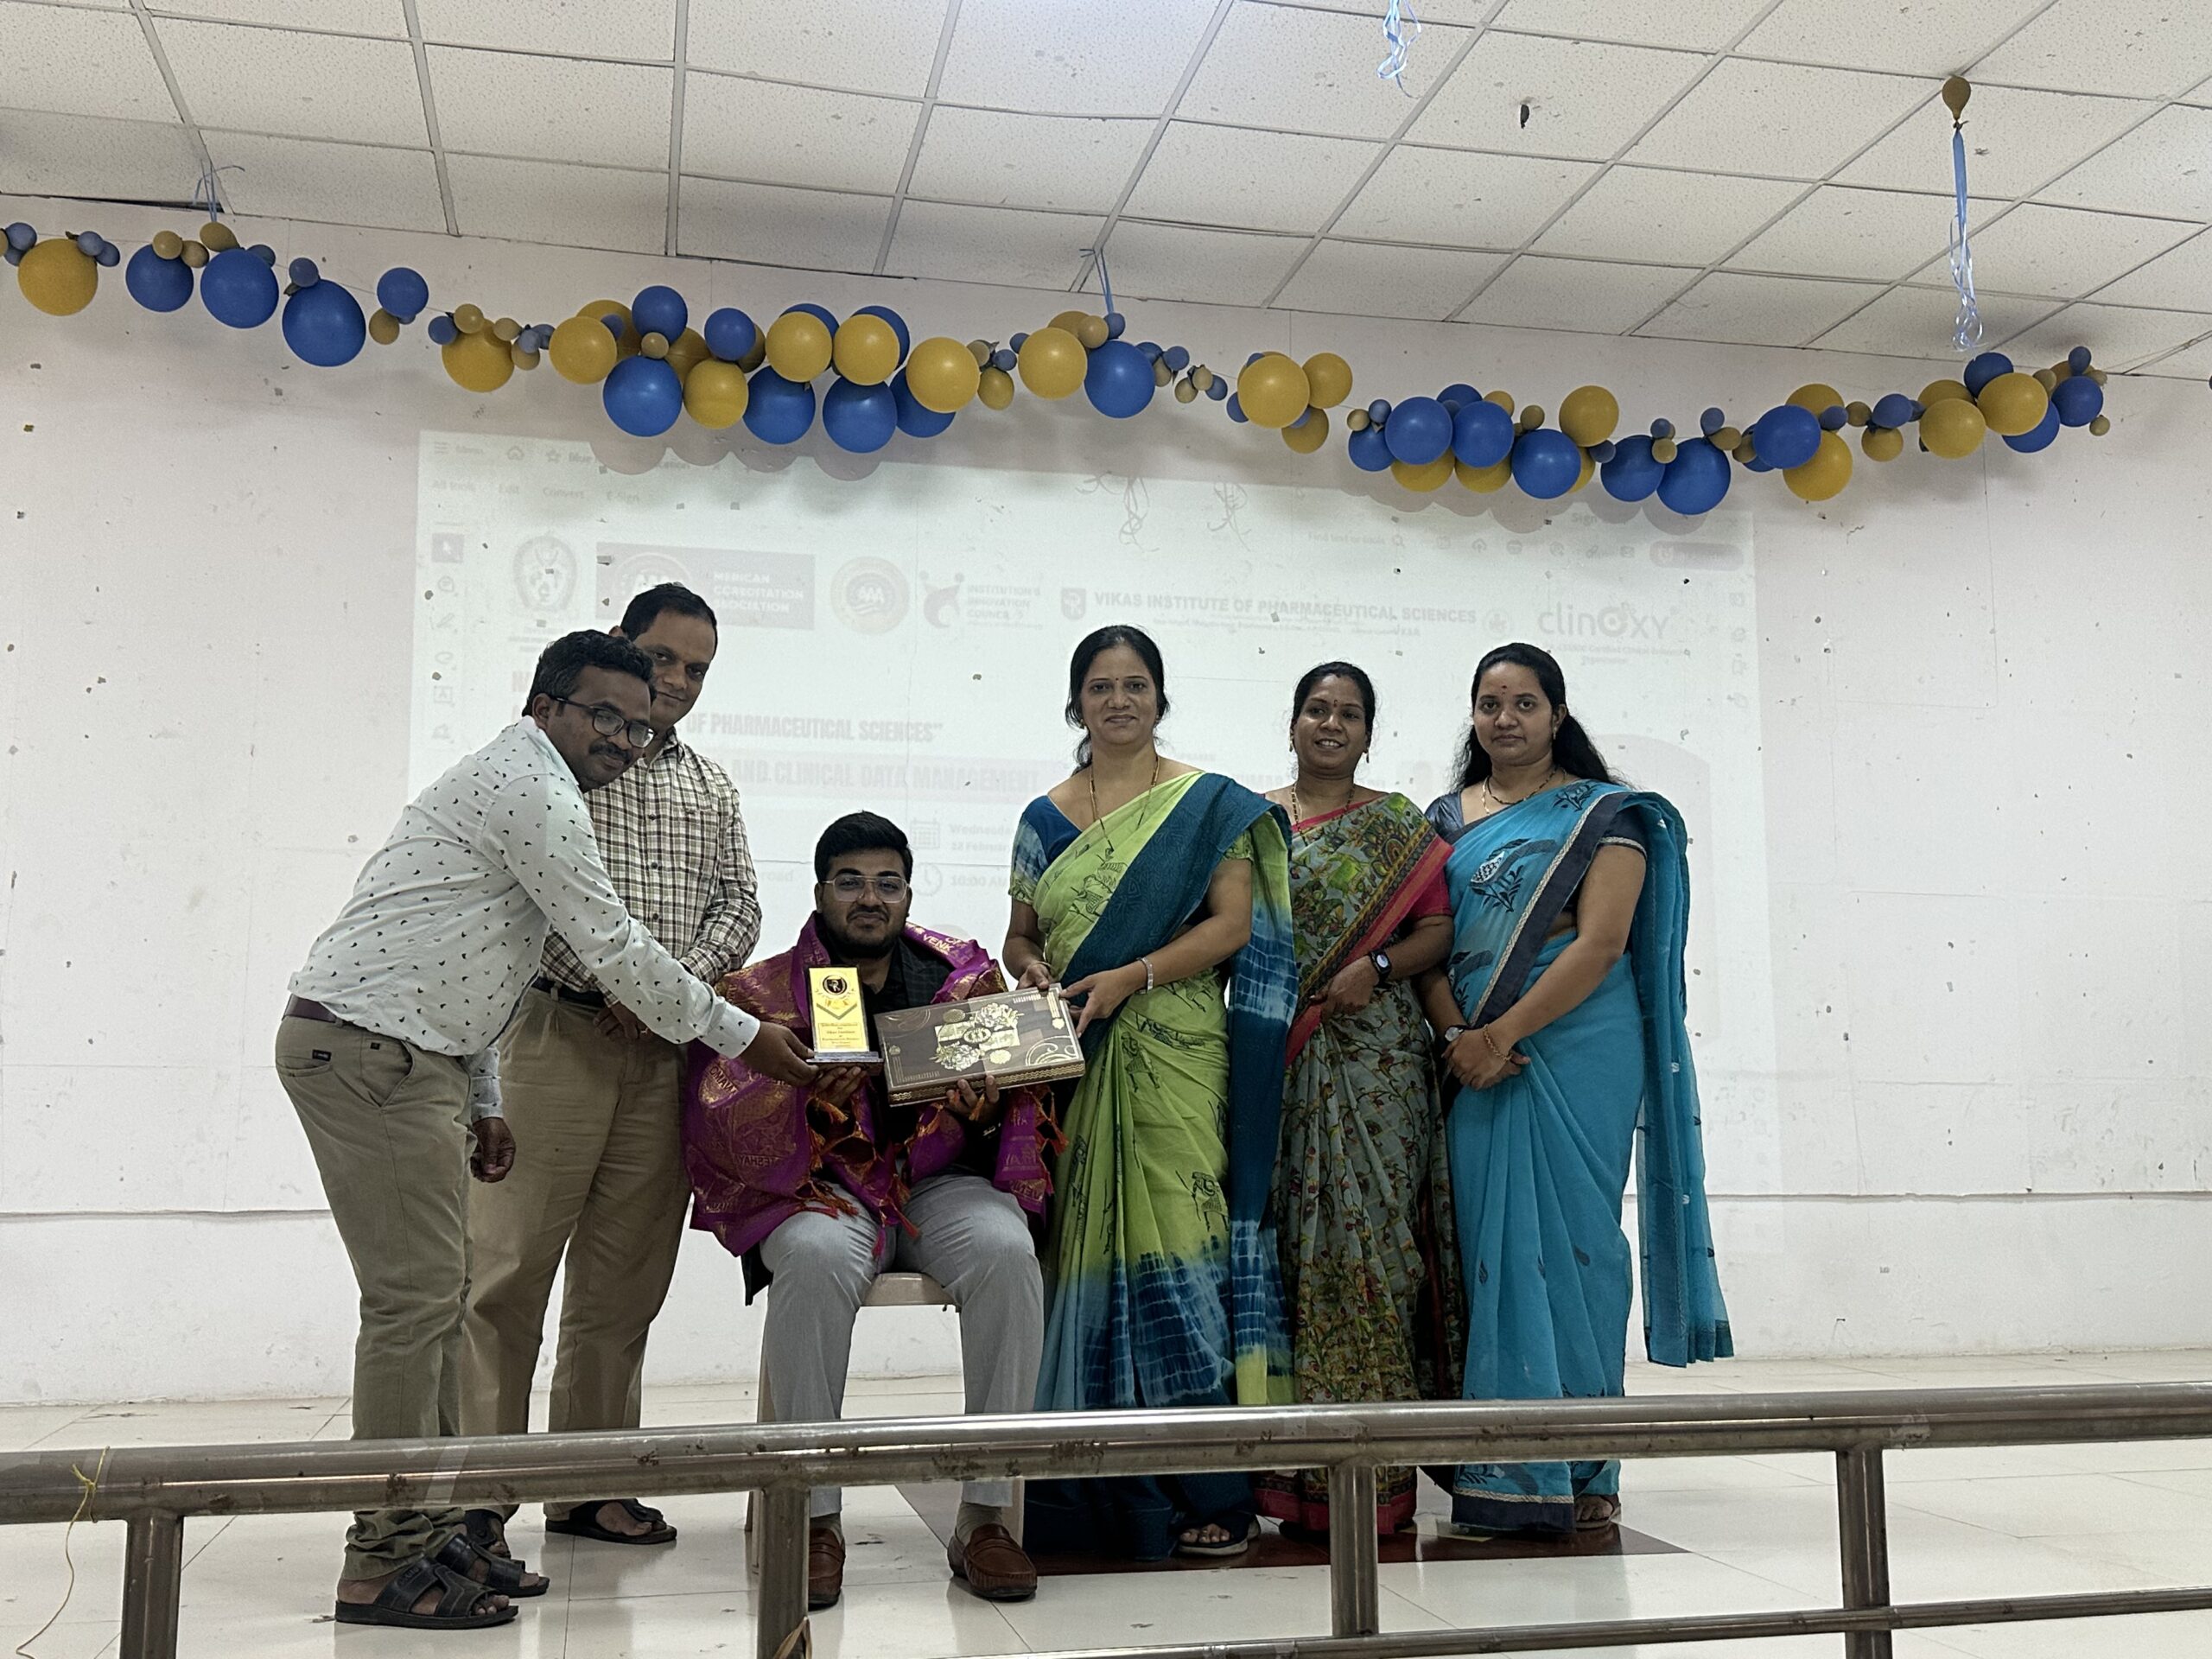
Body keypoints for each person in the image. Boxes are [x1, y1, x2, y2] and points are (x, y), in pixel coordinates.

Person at [276, 631, 814, 1632]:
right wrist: (746, 1036)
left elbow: (485, 955)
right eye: (604, 714)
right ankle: (382, 1560)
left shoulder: (575, 783)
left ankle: (438, 1529)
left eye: (636, 723)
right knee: (420, 1305)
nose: (622, 736)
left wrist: (483, 1096)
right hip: (369, 1050)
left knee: (443, 1301)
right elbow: (606, 943)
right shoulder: (535, 790)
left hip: (424, 1054)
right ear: (545, 705)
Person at [685, 812, 1054, 1611]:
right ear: (820, 892)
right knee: (814, 1258)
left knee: (1007, 1251)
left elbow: (1016, 1099)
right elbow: (721, 1116)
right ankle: (814, 1517)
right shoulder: (763, 993)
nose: (869, 898)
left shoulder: (961, 977)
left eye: (888, 883)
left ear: (908, 894)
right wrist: (804, 1105)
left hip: (940, 1184)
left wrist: (987, 1108)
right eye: (850, 882)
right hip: (826, 1190)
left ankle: (986, 1516)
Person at [461, 585, 760, 1554]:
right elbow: (535, 897)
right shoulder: (559, 764)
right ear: (622, 650)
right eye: (663, 658)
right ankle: (476, 1494)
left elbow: (741, 905)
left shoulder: (711, 786)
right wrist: (625, 984)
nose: (678, 682)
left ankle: (590, 1486)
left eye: (697, 669)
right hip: (553, 1035)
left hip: (663, 1058)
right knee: (505, 1276)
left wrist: (673, 987)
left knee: (623, 1286)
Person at [1420, 642, 1729, 1541]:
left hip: (1577, 1041)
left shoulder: (1605, 815)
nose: (1505, 718)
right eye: (1489, 703)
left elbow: (1599, 944)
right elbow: (1426, 942)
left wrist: (1502, 1034)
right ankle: (1504, 1462)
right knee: (1487, 1250)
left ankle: (1588, 1460)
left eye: (1524, 703)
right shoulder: (1443, 820)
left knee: (1580, 1248)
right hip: (1468, 1050)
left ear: (1557, 714)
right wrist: (1459, 1036)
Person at [1003, 625, 1297, 1563]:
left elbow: (1232, 925)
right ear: (1076, 703)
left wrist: (1132, 976)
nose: (1119, 701)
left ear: (1160, 699)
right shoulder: (1044, 818)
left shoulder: (1207, 805)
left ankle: (1210, 1486)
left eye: (1135, 685)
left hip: (1177, 1048)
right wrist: (1033, 969)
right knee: (1080, 1255)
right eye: (1101, 686)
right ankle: (1089, 1488)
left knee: (1184, 1252)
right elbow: (1018, 936)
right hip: (1077, 1056)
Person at [1257, 663, 1462, 1540]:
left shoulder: (1397, 826)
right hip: (1278, 1059)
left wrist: (1375, 966)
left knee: (1381, 1253)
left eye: (1348, 713)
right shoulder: (1252, 822)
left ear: (1369, 733)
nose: (1331, 724)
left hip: (1379, 1062)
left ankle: (1380, 1481)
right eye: (1317, 709)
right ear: (1293, 723)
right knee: (1290, 1256)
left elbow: (1437, 931)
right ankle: (1292, 1477)